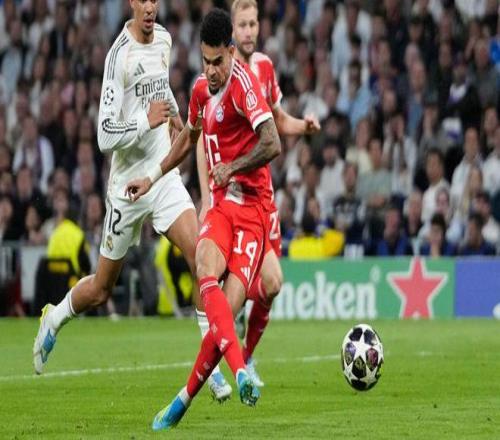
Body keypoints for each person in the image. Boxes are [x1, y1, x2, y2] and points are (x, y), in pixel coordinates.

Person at [125, 8, 281, 430]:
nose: (211, 71)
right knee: (204, 269)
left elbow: (272, 142)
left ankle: (183, 399)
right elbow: (185, 139)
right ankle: (241, 372)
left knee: (224, 312)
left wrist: (234, 167)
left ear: (231, 52)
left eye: (217, 62)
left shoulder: (245, 87)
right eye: (205, 61)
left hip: (253, 212)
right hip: (222, 206)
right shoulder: (199, 90)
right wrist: (152, 176)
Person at [33, 1, 203, 382]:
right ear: (131, 3)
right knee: (101, 289)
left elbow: (161, 86)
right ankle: (54, 318)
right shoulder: (118, 57)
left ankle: (210, 363)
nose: (150, 7)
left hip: (162, 175)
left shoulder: (164, 39)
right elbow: (104, 136)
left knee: (199, 255)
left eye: (155, 0)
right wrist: (145, 120)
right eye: (143, 0)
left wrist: (175, 117)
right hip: (126, 187)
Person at [196, 0, 320, 390]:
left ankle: (244, 357)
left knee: (271, 284)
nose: (249, 31)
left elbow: (276, 121)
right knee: (228, 281)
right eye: (243, 25)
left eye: (253, 24)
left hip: (259, 198)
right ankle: (220, 362)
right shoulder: (218, 77)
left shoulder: (263, 68)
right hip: (229, 197)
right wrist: (206, 195)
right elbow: (201, 136)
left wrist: (303, 126)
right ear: (231, 34)